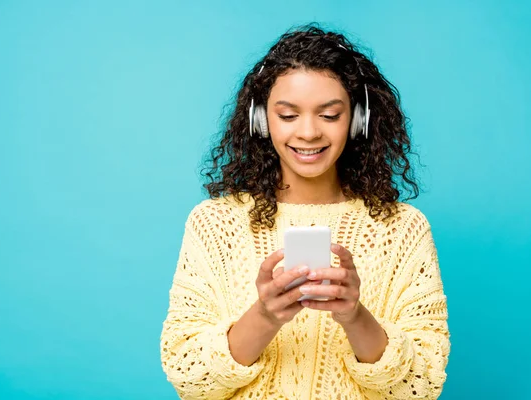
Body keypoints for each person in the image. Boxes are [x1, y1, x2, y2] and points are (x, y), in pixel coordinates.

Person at [160, 25, 450, 400]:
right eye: (288, 115)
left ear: (357, 120)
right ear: (261, 120)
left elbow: (422, 386)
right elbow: (189, 377)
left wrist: (354, 315)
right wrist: (264, 316)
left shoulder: (403, 228)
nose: (309, 132)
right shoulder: (214, 223)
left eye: (329, 115)